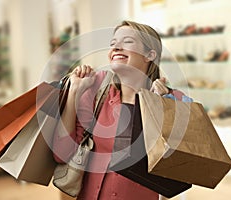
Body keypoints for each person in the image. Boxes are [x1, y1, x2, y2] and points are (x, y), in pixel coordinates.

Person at [53, 20, 191, 200]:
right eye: (113, 43)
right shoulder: (95, 95)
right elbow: (61, 154)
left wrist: (163, 107)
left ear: (149, 54)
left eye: (127, 41)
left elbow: (183, 167)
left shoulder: (173, 99)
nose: (116, 47)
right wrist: (74, 92)